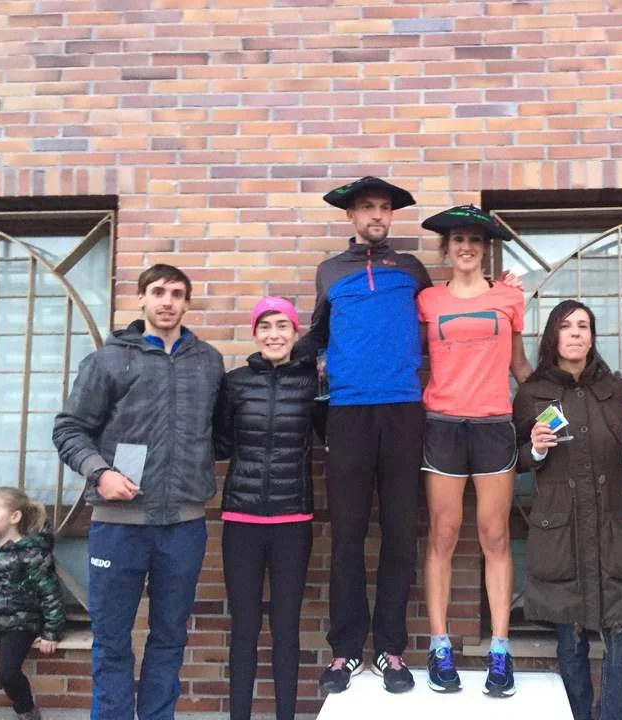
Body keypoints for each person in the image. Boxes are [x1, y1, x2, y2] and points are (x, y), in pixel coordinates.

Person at [52, 264, 224, 720]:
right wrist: (100, 473)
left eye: (177, 294)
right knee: (112, 640)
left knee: (169, 638)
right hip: (117, 528)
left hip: (183, 528)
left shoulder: (208, 362)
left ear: (187, 302)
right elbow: (69, 430)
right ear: (142, 298)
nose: (167, 301)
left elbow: (219, 433)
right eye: (158, 292)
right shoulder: (109, 360)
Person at [299, 177, 432, 695]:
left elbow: (439, 327)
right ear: (351, 216)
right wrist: (280, 351)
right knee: (348, 535)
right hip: (348, 412)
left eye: (384, 208)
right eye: (367, 208)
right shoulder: (330, 271)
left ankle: (391, 649)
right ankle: (346, 650)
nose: (377, 215)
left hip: (403, 409)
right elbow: (318, 335)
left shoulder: (412, 269)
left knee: (400, 533)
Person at [513, 300, 622, 720]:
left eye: (584, 326)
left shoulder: (615, 390)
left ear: (592, 337)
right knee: (570, 642)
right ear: (552, 336)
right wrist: (536, 449)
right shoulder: (533, 392)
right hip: (561, 533)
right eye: (566, 326)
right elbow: (513, 458)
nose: (576, 333)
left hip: (613, 529)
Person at [417, 205, 531, 697]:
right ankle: (439, 645)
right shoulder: (427, 300)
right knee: (443, 534)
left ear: (485, 249)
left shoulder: (509, 296)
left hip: (493, 425)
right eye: (458, 239)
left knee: (495, 536)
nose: (466, 247)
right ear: (447, 248)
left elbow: (521, 367)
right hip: (442, 424)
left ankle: (500, 650)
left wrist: (562, 401)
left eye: (475, 240)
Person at [215, 297, 325, 720]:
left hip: (292, 520)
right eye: (265, 326)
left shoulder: (312, 384)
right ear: (255, 333)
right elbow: (221, 442)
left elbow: (331, 436)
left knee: (285, 628)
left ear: (295, 333)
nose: (274, 334)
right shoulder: (235, 383)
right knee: (244, 628)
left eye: (282, 326)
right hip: (241, 520)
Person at [0, 487, 65, 720]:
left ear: (15, 517)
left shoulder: (31, 553)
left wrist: (51, 632)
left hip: (19, 624)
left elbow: (50, 592)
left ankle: (27, 711)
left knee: (7, 674)